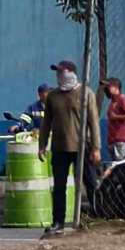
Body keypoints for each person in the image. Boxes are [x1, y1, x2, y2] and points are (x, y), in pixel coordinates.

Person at [38, 60, 100, 235]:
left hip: (83, 147)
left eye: (62, 72)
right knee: (59, 187)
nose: (59, 76)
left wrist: (96, 148)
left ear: (72, 73)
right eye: (57, 73)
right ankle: (58, 221)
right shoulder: (53, 96)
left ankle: (95, 217)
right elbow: (46, 123)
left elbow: (94, 122)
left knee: (91, 183)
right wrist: (42, 145)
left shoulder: (86, 93)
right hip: (59, 147)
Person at [101, 77, 125, 161]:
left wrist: (116, 117)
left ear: (116, 88)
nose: (106, 89)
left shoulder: (123, 99)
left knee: (120, 165)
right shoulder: (113, 102)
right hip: (112, 141)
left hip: (121, 140)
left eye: (108, 87)